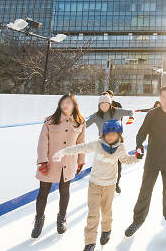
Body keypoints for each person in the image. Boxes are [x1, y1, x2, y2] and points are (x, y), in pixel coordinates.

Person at [53, 120, 139, 251]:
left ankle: (106, 229)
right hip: (94, 184)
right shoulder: (98, 145)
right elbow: (81, 147)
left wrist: (138, 157)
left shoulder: (120, 148)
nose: (110, 137)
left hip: (110, 185)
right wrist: (64, 151)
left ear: (119, 135)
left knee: (106, 211)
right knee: (93, 214)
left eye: (113, 134)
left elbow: (126, 159)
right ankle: (90, 243)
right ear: (103, 134)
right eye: (108, 134)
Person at [125, 86, 166, 240]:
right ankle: (137, 221)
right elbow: (141, 133)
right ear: (160, 98)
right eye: (164, 97)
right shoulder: (152, 114)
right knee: (145, 190)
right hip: (152, 160)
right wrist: (139, 146)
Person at [33, 94, 86, 238]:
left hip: (68, 163)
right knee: (43, 192)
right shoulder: (50, 121)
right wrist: (43, 161)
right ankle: (38, 220)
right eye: (63, 102)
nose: (65, 105)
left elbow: (81, 143)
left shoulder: (79, 122)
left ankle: (62, 218)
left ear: (74, 105)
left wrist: (81, 160)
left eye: (69, 102)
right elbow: (42, 143)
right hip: (49, 163)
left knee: (64, 190)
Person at [87, 94, 133, 194]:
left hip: (117, 144)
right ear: (99, 105)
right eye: (101, 104)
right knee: (102, 167)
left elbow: (130, 112)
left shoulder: (117, 111)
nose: (104, 106)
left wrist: (131, 118)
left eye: (106, 103)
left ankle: (116, 183)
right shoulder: (96, 116)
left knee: (118, 166)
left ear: (110, 104)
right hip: (103, 145)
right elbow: (84, 125)